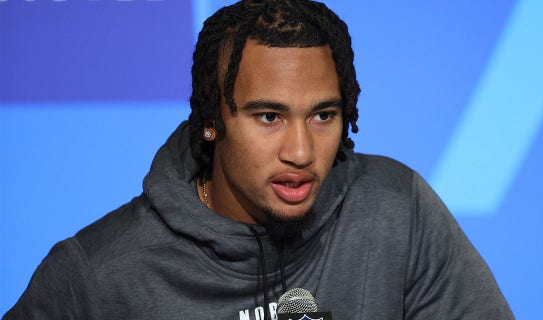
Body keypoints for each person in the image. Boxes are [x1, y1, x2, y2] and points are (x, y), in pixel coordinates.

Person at [4, 0, 514, 319]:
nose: (300, 152)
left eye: (323, 116)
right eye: (269, 116)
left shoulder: (397, 211)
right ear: (212, 120)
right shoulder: (100, 274)